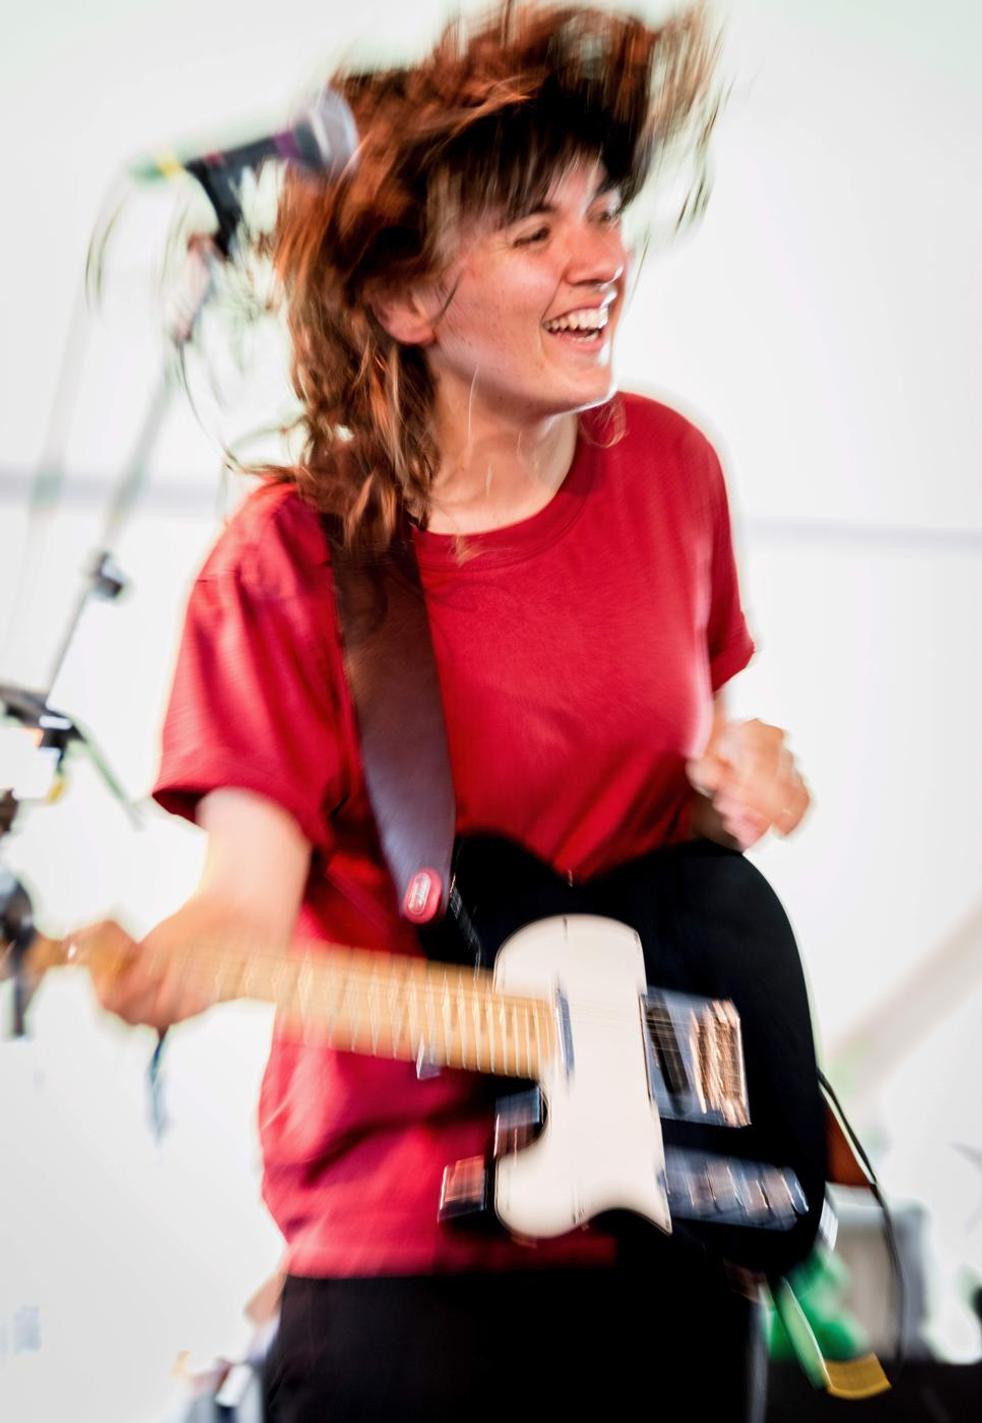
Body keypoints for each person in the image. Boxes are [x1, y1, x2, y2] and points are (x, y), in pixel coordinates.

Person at [90, 4, 811, 1418]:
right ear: (407, 298)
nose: (602, 258)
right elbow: (243, 901)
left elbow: (685, 816)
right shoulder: (289, 563)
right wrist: (179, 958)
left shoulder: (671, 470)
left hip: (671, 1236)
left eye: (604, 213)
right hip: (410, 1265)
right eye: (538, 232)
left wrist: (750, 773)